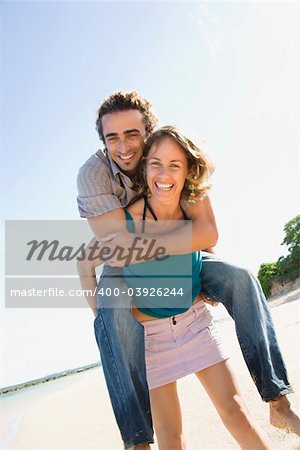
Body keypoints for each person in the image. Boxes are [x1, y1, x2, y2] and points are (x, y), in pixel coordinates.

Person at [77, 91, 299, 449]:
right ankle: (136, 440)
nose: (124, 146)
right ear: (103, 142)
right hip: (140, 306)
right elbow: (104, 249)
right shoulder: (99, 179)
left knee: (239, 277)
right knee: (169, 433)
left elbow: (207, 233)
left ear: (148, 134)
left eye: (133, 134)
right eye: (112, 137)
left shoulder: (179, 170)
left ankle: (279, 401)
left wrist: (195, 275)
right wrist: (108, 319)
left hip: (189, 308)